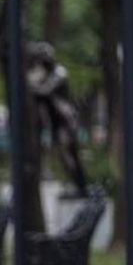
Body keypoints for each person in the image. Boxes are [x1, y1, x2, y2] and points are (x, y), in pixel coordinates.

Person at [25, 41, 89, 197]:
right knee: (61, 154)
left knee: (68, 152)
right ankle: (75, 184)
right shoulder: (42, 73)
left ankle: (80, 186)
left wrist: (31, 84)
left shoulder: (59, 73)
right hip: (53, 120)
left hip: (66, 119)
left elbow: (44, 90)